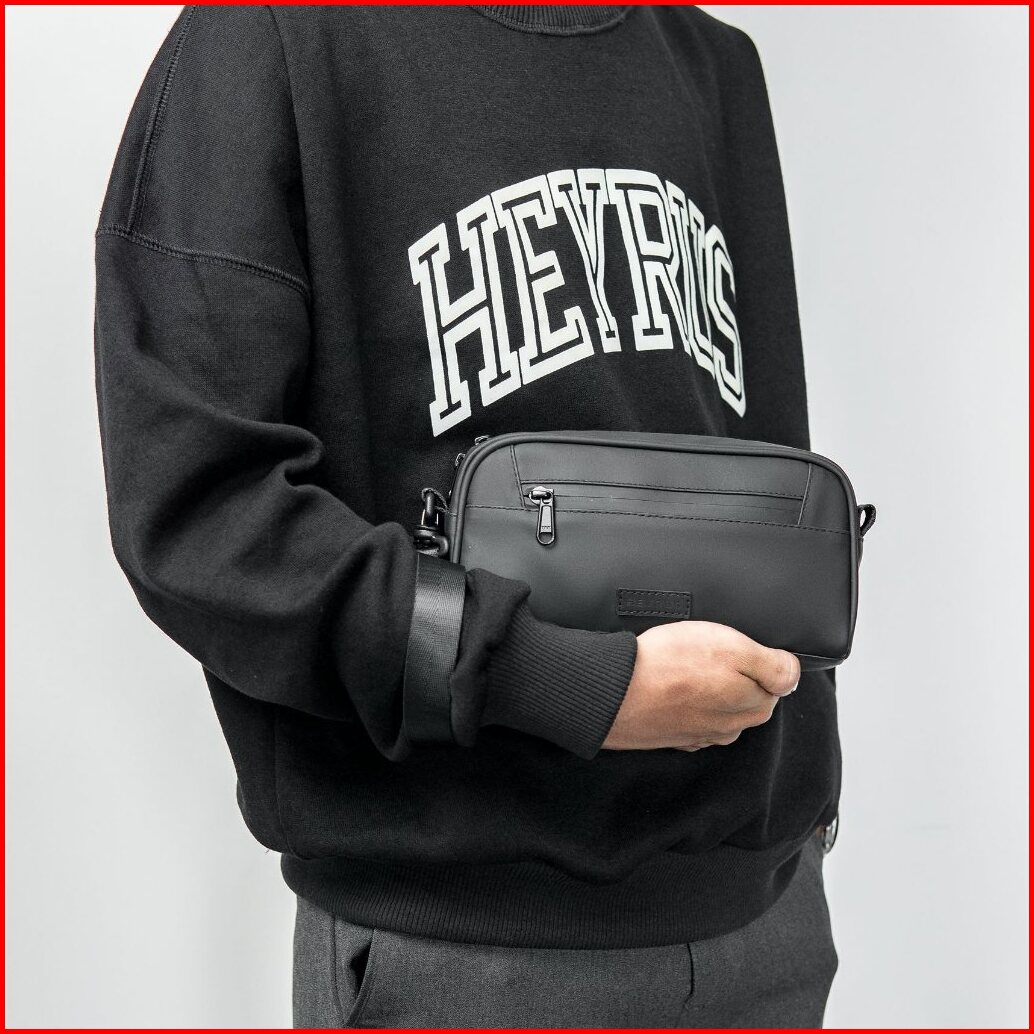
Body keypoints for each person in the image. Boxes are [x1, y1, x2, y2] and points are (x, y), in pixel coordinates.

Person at [94, 4, 841, 1028]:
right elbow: (201, 512)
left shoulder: (713, 61)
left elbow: (767, 476)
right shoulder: (270, 35)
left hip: (767, 921)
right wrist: (569, 683)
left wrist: (803, 796)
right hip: (465, 945)